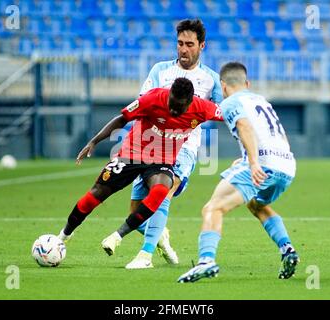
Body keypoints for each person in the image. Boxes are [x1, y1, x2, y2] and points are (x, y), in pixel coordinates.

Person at [57, 78, 223, 259]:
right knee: (96, 194)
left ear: (190, 102)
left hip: (161, 161)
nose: (173, 110)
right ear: (169, 95)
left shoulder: (203, 108)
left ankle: (117, 236)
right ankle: (64, 235)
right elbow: (121, 119)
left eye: (179, 107)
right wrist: (94, 141)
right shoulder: (153, 98)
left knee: (161, 189)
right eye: (171, 104)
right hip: (131, 154)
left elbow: (231, 115)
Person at [105, 18, 223, 269]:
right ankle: (160, 237)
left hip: (185, 146)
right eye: (180, 43)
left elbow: (226, 112)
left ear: (202, 45)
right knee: (136, 210)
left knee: (163, 192)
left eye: (189, 44)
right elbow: (142, 102)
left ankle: (145, 255)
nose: (183, 49)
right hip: (150, 147)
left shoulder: (211, 79)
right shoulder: (160, 71)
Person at [177, 62, 300, 283]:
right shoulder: (261, 101)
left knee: (213, 207)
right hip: (286, 165)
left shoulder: (231, 102)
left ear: (223, 86)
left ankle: (206, 261)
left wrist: (253, 162)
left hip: (262, 164)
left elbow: (244, 126)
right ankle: (288, 249)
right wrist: (249, 159)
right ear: (247, 83)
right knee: (257, 204)